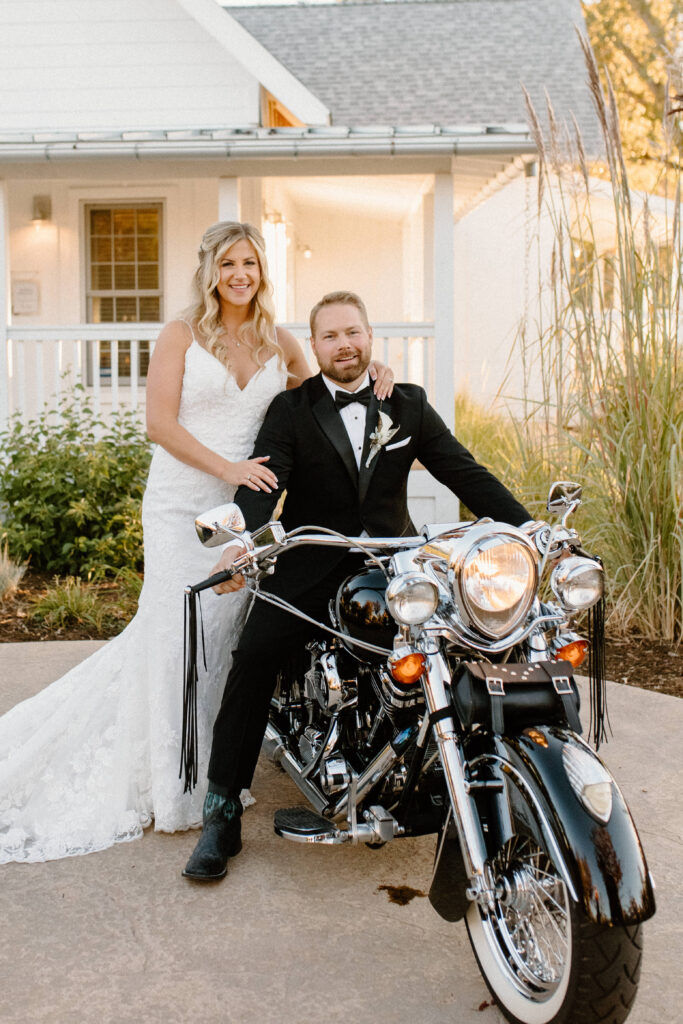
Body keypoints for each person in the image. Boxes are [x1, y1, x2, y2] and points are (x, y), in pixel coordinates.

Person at [0, 226, 394, 864]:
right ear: (210, 269)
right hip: (183, 503)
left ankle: (217, 772)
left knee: (226, 636)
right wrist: (229, 467)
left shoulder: (278, 338)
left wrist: (375, 366)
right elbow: (158, 422)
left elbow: (326, 387)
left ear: (263, 270)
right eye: (228, 263)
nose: (240, 273)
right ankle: (174, 781)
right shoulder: (181, 332)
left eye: (251, 263)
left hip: (246, 516)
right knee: (178, 632)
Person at [182, 289, 531, 881]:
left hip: (396, 564)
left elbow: (465, 472)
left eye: (354, 333)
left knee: (476, 636)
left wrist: (530, 530)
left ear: (370, 337)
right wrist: (244, 539)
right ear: (314, 346)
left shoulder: (408, 404)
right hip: (313, 559)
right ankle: (221, 812)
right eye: (330, 336)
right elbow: (265, 482)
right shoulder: (292, 409)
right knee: (257, 654)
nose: (345, 344)